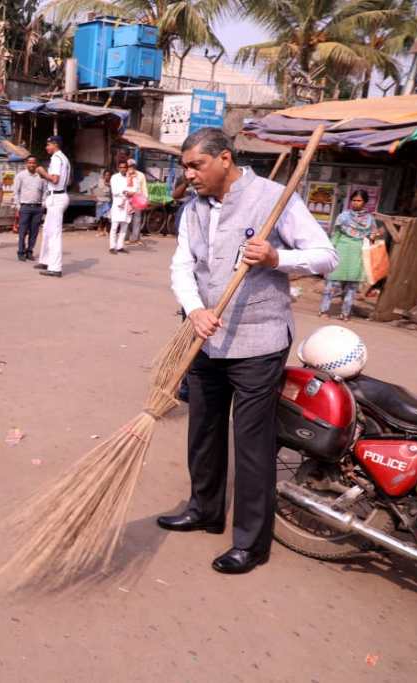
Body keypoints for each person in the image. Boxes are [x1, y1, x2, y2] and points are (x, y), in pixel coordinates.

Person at [163, 127, 337, 574]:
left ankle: (251, 542)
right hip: (205, 336)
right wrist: (195, 308)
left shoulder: (273, 198)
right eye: (186, 166)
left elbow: (325, 255)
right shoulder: (194, 209)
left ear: (224, 159)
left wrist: (278, 259)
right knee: (203, 430)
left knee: (252, 443)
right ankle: (204, 509)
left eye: (196, 165)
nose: (190, 174)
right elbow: (183, 264)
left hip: (259, 341)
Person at [320, 189, 377, 321]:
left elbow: (372, 235)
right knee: (332, 283)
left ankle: (345, 313)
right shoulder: (343, 217)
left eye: (359, 200)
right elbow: (336, 234)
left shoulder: (369, 220)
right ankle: (324, 310)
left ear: (365, 202)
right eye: (354, 200)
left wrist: (374, 235)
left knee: (352, 286)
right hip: (342, 250)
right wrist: (330, 250)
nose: (356, 203)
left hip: (357, 253)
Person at [32, 135, 71, 277]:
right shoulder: (64, 158)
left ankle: (55, 268)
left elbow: (54, 179)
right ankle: (45, 260)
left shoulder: (56, 158)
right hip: (57, 195)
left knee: (54, 233)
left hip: (57, 196)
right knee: (48, 230)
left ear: (55, 144)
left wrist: (43, 172)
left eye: (48, 145)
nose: (46, 147)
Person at [12, 155, 47, 261]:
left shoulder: (41, 177)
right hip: (25, 207)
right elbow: (16, 192)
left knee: (34, 232)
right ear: (26, 164)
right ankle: (21, 252)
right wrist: (18, 206)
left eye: (33, 162)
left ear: (36, 164)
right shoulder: (20, 176)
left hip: (37, 208)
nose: (31, 164)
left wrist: (43, 204)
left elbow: (45, 191)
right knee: (22, 231)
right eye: (30, 162)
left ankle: (30, 251)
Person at [108, 159, 135, 254]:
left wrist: (130, 193)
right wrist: (125, 192)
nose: (123, 169)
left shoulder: (130, 178)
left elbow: (133, 189)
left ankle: (120, 246)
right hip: (118, 204)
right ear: (118, 168)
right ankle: (112, 247)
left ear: (127, 168)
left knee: (124, 227)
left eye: (124, 167)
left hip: (127, 204)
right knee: (114, 227)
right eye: (121, 167)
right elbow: (115, 191)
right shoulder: (114, 177)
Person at [127, 159, 148, 244]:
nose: (131, 167)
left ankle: (134, 238)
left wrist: (145, 198)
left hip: (137, 198)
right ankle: (126, 237)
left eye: (132, 165)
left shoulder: (140, 175)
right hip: (127, 199)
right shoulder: (125, 174)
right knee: (127, 219)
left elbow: (144, 187)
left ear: (135, 166)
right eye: (129, 166)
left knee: (137, 219)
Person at [92, 169, 112, 236]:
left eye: (108, 175)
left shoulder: (112, 183)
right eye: (106, 175)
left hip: (108, 201)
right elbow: (91, 187)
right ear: (103, 176)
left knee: (106, 217)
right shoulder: (100, 181)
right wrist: (94, 196)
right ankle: (100, 231)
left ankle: (105, 230)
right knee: (100, 217)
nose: (107, 176)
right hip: (100, 201)